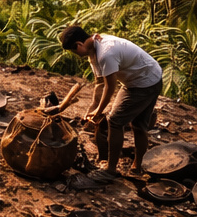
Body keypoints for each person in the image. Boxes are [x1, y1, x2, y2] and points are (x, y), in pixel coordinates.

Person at [59, 24, 163, 179]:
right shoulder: (93, 51)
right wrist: (92, 109)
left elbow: (110, 88)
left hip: (145, 82)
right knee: (138, 125)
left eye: (74, 51)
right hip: (141, 79)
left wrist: (99, 111)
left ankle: (111, 170)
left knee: (115, 121)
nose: (76, 55)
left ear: (79, 44)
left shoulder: (106, 53)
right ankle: (137, 166)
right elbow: (100, 84)